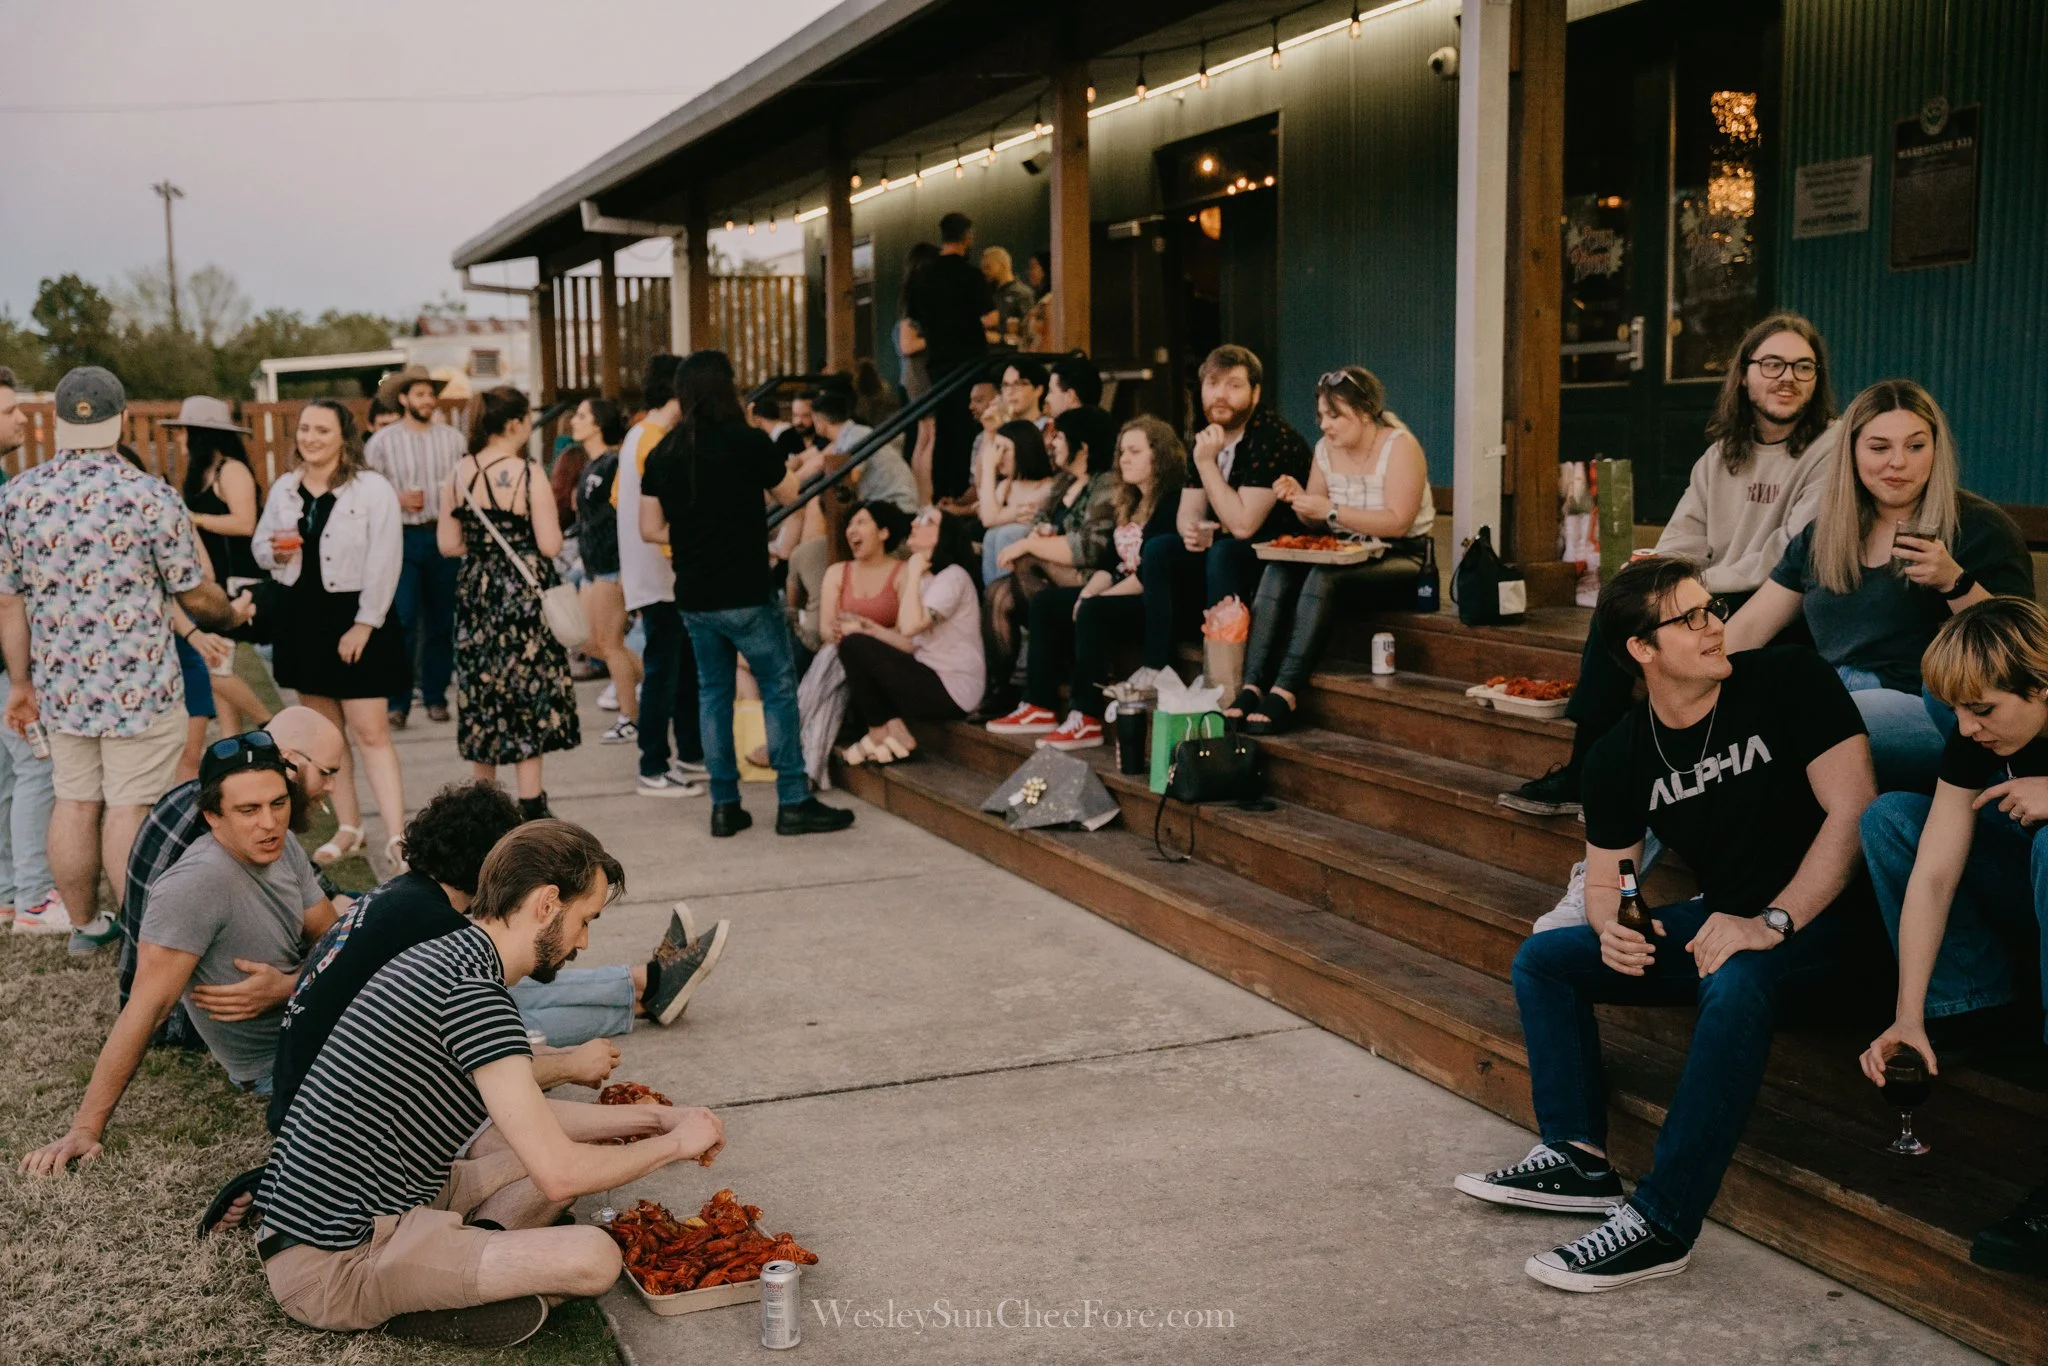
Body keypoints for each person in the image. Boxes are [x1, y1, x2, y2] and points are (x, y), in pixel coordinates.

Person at [1455, 556, 1875, 1291]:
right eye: (1692, 618)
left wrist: (1773, 921)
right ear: (1641, 650)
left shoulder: (1788, 680)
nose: (1716, 626)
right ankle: (1579, 1155)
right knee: (1547, 960)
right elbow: (1614, 873)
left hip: (1836, 926)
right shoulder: (1619, 755)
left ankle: (1664, 1222)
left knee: (1738, 978)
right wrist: (1616, 922)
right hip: (1729, 921)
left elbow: (1856, 812)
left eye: (1712, 609)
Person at [253, 820, 726, 1346]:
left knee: (553, 1158)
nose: (584, 942)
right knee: (595, 1257)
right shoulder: (475, 994)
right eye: (585, 920)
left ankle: (465, 1263)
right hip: (336, 1263)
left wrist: (657, 1118)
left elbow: (528, 1120)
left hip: (390, 1204)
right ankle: (439, 1290)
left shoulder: (448, 956)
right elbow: (560, 1176)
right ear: (547, 903)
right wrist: (675, 1144)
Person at [1501, 313, 1842, 818]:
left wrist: (1694, 588)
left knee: (1673, 623)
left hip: (1780, 600)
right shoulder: (1719, 456)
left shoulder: (1831, 448)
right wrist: (1656, 575)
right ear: (1745, 376)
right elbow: (1684, 536)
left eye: (1802, 366)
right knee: (1621, 603)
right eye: (1772, 364)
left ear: (1816, 381)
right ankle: (1585, 765)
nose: (1786, 377)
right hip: (1713, 592)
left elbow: (1789, 549)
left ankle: (1658, 772)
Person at [267, 782, 730, 1135]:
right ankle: (645, 988)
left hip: (304, 1100)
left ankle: (646, 988)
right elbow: (475, 1062)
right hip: (336, 1118)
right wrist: (567, 1064)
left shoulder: (407, 898)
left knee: (520, 986)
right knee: (522, 1001)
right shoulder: (435, 926)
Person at [0, 367, 248, 953]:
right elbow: (195, 593)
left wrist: (20, 682)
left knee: (75, 800)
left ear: (57, 420)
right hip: (141, 684)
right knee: (129, 806)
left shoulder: (18, 497)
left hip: (60, 685)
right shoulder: (151, 496)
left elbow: (8, 602)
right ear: (116, 420)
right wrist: (231, 613)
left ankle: (85, 926)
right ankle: (140, 929)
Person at [20, 736, 338, 1175]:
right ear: (212, 816)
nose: (270, 822)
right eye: (249, 810)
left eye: (278, 803)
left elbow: (335, 937)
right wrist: (85, 1128)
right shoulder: (193, 886)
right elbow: (146, 1009)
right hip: (284, 1061)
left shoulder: (280, 846)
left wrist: (290, 985)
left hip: (320, 1022)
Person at [1858, 597, 2048, 1276]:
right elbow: (1934, 875)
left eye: (1984, 710)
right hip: (2030, 909)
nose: (1966, 728)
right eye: (1957, 710)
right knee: (1891, 819)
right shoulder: (1973, 737)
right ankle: (1971, 1007)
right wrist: (1907, 1017)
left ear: (2042, 686)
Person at [1724, 379, 2030, 792]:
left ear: (1936, 450)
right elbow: (1749, 628)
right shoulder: (1824, 535)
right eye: (1879, 447)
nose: (1898, 463)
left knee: (1782, 732)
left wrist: (1954, 583)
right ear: (1851, 451)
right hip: (1829, 695)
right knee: (1685, 737)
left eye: (1915, 446)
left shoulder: (1978, 529)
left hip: (1929, 707)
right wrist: (1682, 689)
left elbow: (2019, 650)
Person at [640, 350, 854, 837]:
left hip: (694, 594)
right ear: (727, 387)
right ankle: (793, 800)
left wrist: (694, 532)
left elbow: (649, 528)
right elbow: (789, 492)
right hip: (747, 589)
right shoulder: (748, 442)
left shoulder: (664, 453)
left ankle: (725, 804)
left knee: (712, 695)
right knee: (778, 690)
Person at [116, 709, 346, 1050]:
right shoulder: (218, 841)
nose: (330, 786)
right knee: (358, 919)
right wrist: (293, 985)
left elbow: (317, 910)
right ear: (289, 761)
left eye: (277, 804)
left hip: (197, 997)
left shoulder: (217, 796)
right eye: (326, 773)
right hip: (203, 1018)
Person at [1227, 366, 1436, 734]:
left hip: (1403, 556)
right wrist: (1299, 499)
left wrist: (1333, 511)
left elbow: (1399, 521)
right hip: (1345, 551)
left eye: (1335, 415)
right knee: (1277, 568)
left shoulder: (1400, 446)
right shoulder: (1325, 450)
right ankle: (1251, 684)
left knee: (1323, 578)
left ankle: (1287, 688)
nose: (1325, 425)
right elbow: (1317, 521)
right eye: (1322, 415)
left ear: (1366, 410)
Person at [253, 400, 409, 870]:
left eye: (322, 430)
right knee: (325, 738)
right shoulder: (284, 487)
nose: (311, 438)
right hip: (302, 618)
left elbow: (386, 559)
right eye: (304, 429)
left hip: (358, 615)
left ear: (344, 437)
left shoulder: (373, 489)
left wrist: (365, 623)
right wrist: (277, 554)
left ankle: (399, 835)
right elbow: (262, 546)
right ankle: (349, 827)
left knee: (371, 732)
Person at [989, 416, 1186, 748]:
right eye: (1122, 451)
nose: (1124, 459)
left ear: (1160, 456)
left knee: (1093, 611)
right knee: (1047, 604)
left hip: (1155, 600)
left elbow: (1147, 574)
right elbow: (1109, 563)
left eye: (1135, 451)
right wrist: (1091, 592)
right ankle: (1039, 704)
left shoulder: (1171, 502)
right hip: (1119, 590)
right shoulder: (1130, 501)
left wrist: (1095, 600)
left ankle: (1086, 717)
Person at [437, 388, 581, 822]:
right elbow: (551, 543)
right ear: (516, 423)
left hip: (478, 593)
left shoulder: (458, 475)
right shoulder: (526, 473)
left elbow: (448, 544)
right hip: (523, 594)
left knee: (483, 692)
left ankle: (483, 807)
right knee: (528, 691)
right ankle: (532, 803)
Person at [1138, 344, 1312, 690]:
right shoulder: (1206, 436)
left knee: (1225, 552)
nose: (1221, 395)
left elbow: (1245, 526)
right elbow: (1189, 513)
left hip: (1279, 552)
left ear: (1255, 392)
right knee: (1160, 549)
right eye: (1213, 384)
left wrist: (1206, 463)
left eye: (1234, 386)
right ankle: (1158, 666)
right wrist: (1190, 531)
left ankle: (1219, 672)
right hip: (1230, 545)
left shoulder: (1271, 436)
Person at [979, 405, 1119, 714]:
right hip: (1052, 575)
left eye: (1060, 437)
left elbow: (1091, 548)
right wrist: (1038, 536)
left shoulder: (1106, 483)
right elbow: (1041, 525)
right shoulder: (1064, 482)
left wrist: (1034, 542)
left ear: (1081, 446)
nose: (1052, 443)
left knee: (1023, 559)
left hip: (1091, 580)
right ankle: (1000, 688)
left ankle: (1029, 676)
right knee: (997, 594)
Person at [616, 354, 706, 798]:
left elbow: (620, 500)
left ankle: (689, 752)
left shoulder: (638, 434)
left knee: (680, 668)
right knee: (664, 672)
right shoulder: (656, 440)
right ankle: (653, 764)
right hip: (663, 575)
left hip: (650, 573)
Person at [838, 510, 984, 764]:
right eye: (918, 517)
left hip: (953, 689)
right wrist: (870, 628)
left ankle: (878, 731)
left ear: (942, 536)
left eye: (928, 521)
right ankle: (893, 729)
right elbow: (909, 644)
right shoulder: (932, 578)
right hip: (928, 674)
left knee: (854, 645)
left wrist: (913, 572)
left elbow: (909, 627)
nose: (915, 523)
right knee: (854, 644)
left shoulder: (953, 577)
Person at [165, 398, 273, 737]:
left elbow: (245, 523)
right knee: (221, 672)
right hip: (212, 586)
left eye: (184, 431)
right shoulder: (199, 476)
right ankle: (233, 742)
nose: (179, 438)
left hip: (242, 583)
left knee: (214, 666)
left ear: (200, 435)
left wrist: (194, 518)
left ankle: (271, 723)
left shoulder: (232, 470)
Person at [365, 365, 463, 730]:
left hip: (442, 535)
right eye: (419, 394)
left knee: (441, 621)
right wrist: (396, 497)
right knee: (403, 620)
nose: (427, 400)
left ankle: (436, 697)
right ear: (404, 399)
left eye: (430, 393)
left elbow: (464, 485)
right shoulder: (382, 443)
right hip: (401, 538)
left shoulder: (453, 440)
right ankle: (398, 702)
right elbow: (367, 492)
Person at [0, 366, 58, 935]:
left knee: (7, 778)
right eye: (9, 410)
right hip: (4, 661)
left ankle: (10, 893)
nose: (20, 417)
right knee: (35, 771)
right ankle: (36, 900)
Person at [902, 212, 996, 499]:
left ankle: (942, 494)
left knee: (943, 431)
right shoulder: (971, 275)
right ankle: (969, 489)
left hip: (938, 365)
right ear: (968, 237)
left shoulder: (922, 278)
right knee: (971, 427)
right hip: (970, 362)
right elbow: (990, 318)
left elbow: (914, 318)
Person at [572, 399, 641, 746]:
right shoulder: (594, 464)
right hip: (592, 564)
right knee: (586, 640)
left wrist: (629, 567)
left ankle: (629, 717)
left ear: (598, 423)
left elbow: (624, 517)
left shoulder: (614, 463)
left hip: (613, 564)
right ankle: (661, 683)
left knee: (610, 644)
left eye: (582, 416)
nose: (574, 421)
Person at [812, 387, 918, 514]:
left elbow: (852, 480)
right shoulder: (846, 438)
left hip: (896, 505)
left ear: (820, 419)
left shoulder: (856, 436)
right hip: (881, 503)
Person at [977, 418, 1055, 584]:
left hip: (1032, 564)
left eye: (1005, 449)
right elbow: (987, 518)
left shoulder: (1046, 487)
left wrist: (988, 468)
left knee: (1006, 533)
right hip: (999, 568)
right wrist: (988, 469)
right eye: (996, 449)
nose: (998, 457)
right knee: (991, 535)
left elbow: (990, 517)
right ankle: (992, 596)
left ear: (1023, 450)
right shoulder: (1006, 486)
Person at [897, 241, 942, 503]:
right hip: (921, 372)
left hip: (914, 375)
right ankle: (925, 498)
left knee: (924, 436)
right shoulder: (917, 297)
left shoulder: (910, 293)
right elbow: (907, 343)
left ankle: (921, 497)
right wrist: (940, 337)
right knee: (930, 434)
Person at [982, 246, 1036, 349]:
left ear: (1002, 265)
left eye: (988, 267)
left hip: (1011, 357)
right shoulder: (987, 293)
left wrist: (1000, 333)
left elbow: (1028, 333)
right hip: (988, 358)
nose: (984, 272)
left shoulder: (1023, 294)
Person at [999, 359, 1048, 430]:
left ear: (1038, 390)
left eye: (1018, 384)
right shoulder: (996, 430)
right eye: (1006, 385)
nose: (1010, 392)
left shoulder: (1051, 431)